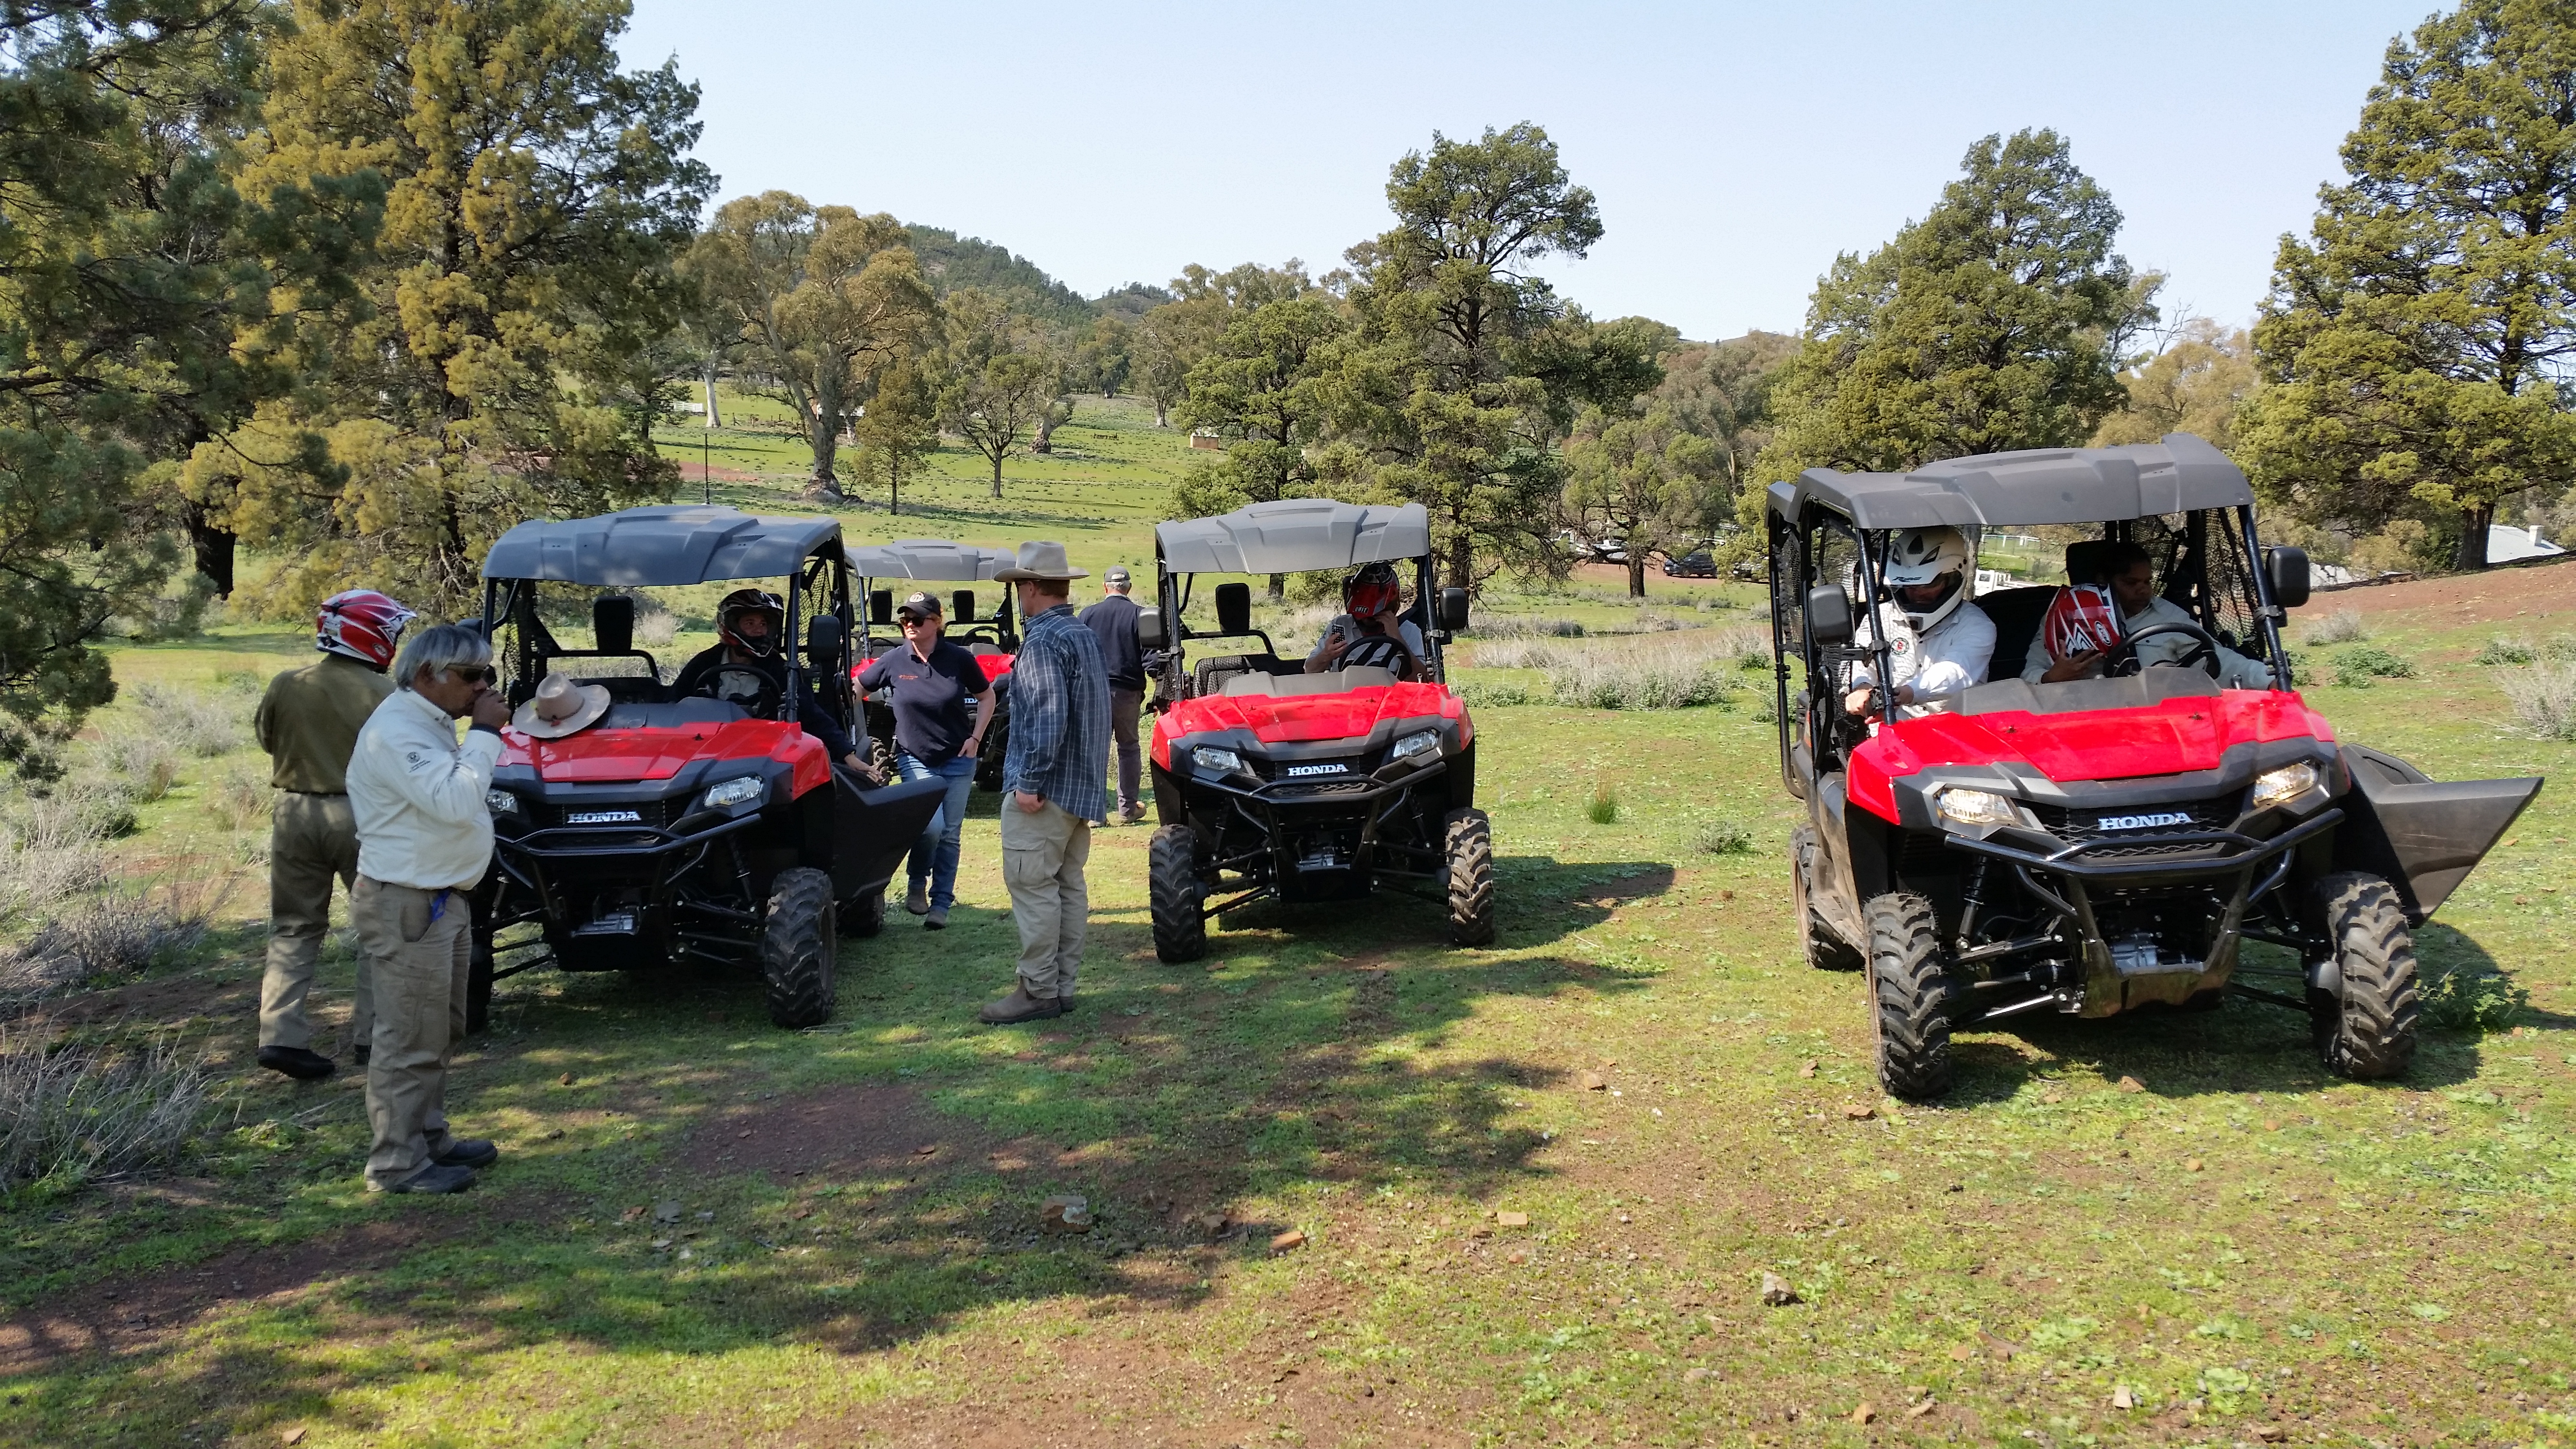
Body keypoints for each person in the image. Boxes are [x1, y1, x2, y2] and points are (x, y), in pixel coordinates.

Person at [345, 624, 509, 1195]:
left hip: (440, 899)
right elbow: (457, 799)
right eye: (471, 677)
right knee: (408, 1036)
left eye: (486, 674)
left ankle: (427, 1137)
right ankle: (395, 1162)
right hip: (407, 902)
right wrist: (487, 735)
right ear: (425, 677)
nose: (483, 687)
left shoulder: (429, 723)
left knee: (440, 1029)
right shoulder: (397, 733)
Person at [254, 589, 415, 1080]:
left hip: (294, 813)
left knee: (294, 927)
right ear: (372, 635)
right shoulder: (384, 694)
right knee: (379, 928)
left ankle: (281, 1036)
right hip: (363, 815)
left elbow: (267, 739)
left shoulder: (287, 683)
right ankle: (371, 1037)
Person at [983, 541, 1110, 1025]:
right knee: (1066, 886)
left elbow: (1047, 717)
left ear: (1031, 587)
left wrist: (1030, 780)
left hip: (1046, 788)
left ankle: (1037, 989)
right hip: (1079, 787)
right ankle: (1060, 986)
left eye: (1019, 586)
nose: (1017, 595)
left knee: (1033, 885)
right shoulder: (1081, 634)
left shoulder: (1041, 640)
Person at [856, 592, 995, 929]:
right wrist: (854, 737)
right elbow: (856, 689)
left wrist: (976, 739)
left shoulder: (959, 658)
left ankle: (941, 905)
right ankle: (917, 882)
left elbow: (987, 695)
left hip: (959, 758)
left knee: (950, 833)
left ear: (937, 622)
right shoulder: (893, 660)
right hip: (914, 758)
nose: (910, 625)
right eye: (905, 620)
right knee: (929, 828)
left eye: (917, 619)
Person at [671, 588, 870, 773]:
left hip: (761, 760)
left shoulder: (779, 668)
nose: (759, 631)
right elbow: (673, 703)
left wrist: (848, 755)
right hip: (704, 755)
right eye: (750, 624)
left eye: (763, 624)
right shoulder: (704, 663)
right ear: (730, 625)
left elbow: (811, 714)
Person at [2025, 541, 2274, 689]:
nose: (2142, 589)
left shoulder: (2168, 616)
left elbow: (2223, 661)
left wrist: (2268, 679)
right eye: (2130, 582)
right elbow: (2029, 674)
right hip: (2075, 717)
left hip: (2153, 720)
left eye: (2147, 581)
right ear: (2103, 582)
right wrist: (2052, 678)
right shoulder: (2065, 618)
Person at [1842, 526, 1996, 720]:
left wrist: (1905, 694)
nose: (1916, 593)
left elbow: (1955, 671)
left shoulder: (1977, 626)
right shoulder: (1880, 617)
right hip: (1891, 727)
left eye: (1927, 585)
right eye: (1907, 585)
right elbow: (1862, 662)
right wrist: (1863, 689)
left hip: (1957, 732)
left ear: (1953, 578)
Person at [1079, 565, 1148, 824]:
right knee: (1128, 748)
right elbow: (1150, 657)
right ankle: (1128, 808)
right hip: (1128, 693)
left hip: (1094, 692)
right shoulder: (1139, 615)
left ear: (1105, 587)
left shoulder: (1088, 614)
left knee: (1096, 750)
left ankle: (1096, 813)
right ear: (1129, 588)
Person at [1304, 562, 1424, 679]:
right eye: (1360, 617)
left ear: (1389, 609)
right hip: (1345, 697)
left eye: (1372, 618)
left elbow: (1424, 680)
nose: (1365, 622)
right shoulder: (1340, 627)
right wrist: (1326, 655)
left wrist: (1397, 638)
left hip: (1390, 697)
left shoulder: (1409, 631)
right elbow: (1309, 671)